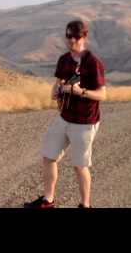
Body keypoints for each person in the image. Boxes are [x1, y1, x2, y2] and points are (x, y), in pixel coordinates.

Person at [24, 20, 106, 209]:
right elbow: (58, 82)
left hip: (85, 121)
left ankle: (85, 205)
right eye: (68, 36)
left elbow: (102, 94)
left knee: (79, 166)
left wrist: (81, 92)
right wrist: (55, 91)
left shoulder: (93, 63)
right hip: (64, 117)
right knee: (48, 156)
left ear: (84, 37)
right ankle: (48, 200)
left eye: (76, 36)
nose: (71, 40)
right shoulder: (64, 60)